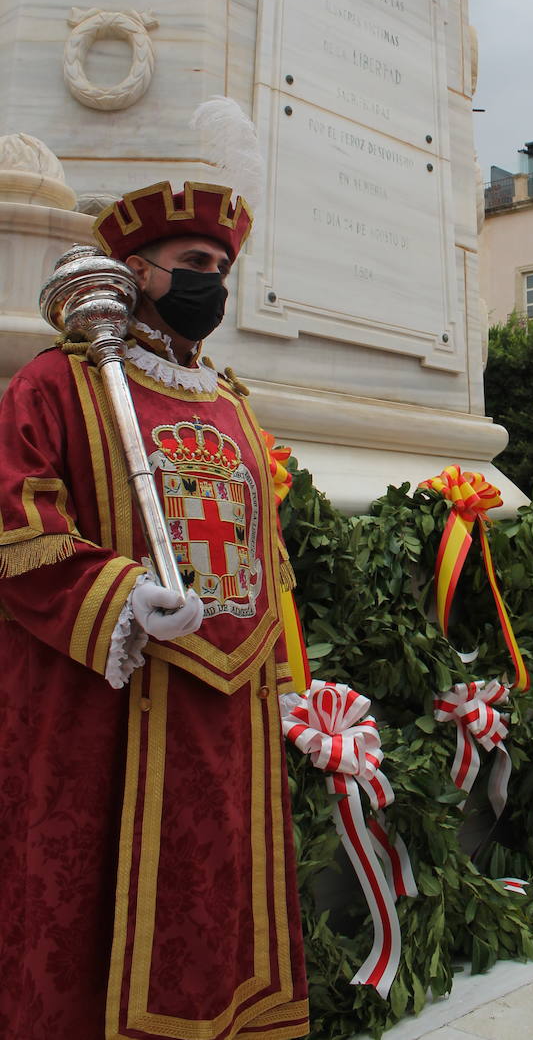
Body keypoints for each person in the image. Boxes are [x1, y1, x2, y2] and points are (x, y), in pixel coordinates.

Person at [0, 177, 309, 1039]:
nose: (213, 279)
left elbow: (263, 552)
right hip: (108, 705)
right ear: (136, 271)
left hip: (229, 704)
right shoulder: (56, 384)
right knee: (96, 901)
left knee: (216, 890)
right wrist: (123, 595)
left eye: (222, 266)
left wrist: (283, 673)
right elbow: (15, 521)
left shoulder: (231, 399)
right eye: (194, 263)